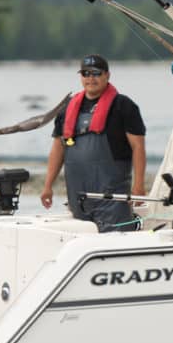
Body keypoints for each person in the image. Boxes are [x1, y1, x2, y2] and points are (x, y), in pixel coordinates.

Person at [41, 54, 146, 232]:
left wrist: (139, 185)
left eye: (96, 73)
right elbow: (58, 149)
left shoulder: (124, 106)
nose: (91, 78)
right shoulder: (67, 109)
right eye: (86, 73)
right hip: (78, 198)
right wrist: (47, 186)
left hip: (112, 199)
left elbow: (138, 147)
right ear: (81, 76)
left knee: (115, 245)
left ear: (107, 75)